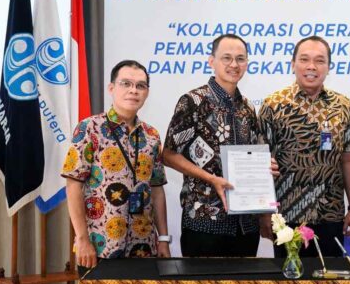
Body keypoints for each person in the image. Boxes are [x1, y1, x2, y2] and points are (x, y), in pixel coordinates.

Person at [163, 33, 277, 257]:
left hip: (245, 225)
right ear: (211, 61)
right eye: (227, 58)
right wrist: (211, 179)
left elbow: (255, 155)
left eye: (240, 59)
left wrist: (265, 166)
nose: (234, 64)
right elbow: (168, 154)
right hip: (204, 221)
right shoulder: (193, 102)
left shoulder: (247, 108)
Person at [258, 35, 350, 257]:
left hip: (331, 215)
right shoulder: (273, 105)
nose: (311, 66)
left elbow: (349, 160)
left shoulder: (344, 106)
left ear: (329, 66)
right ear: (293, 64)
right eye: (304, 59)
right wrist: (265, 213)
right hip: (286, 218)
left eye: (319, 60)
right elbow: (261, 164)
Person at [62, 60, 170, 268]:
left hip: (144, 246)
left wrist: (163, 238)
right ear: (111, 88)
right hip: (100, 246)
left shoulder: (152, 135)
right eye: (126, 84)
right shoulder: (89, 128)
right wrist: (82, 239)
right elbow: (73, 185)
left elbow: (156, 189)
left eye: (140, 86)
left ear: (147, 92)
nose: (133, 91)